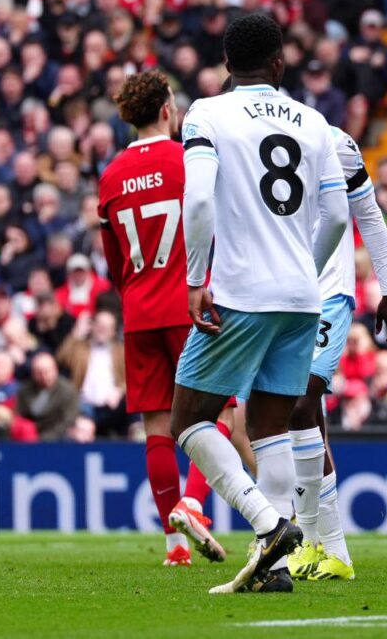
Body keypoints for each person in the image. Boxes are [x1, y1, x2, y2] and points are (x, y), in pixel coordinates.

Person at [169, 14, 349, 595]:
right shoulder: (315, 122)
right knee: (271, 426)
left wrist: (196, 278)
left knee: (188, 418)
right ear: (279, 63)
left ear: (227, 64)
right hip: (302, 296)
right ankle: (274, 569)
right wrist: (305, 269)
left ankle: (269, 526)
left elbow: (199, 201)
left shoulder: (207, 113)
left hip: (241, 291)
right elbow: (338, 216)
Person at [97, 70, 226, 568]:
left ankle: (175, 547)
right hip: (189, 305)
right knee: (218, 412)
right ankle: (192, 503)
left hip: (139, 311)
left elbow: (114, 261)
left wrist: (136, 291)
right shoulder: (186, 160)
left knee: (157, 426)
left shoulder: (111, 176)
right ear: (168, 110)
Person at [286, 127, 387, 582]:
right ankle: (327, 549)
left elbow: (368, 215)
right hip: (278, 292)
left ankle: (315, 542)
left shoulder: (332, 140)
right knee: (300, 414)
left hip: (328, 291)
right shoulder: (245, 134)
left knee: (301, 402)